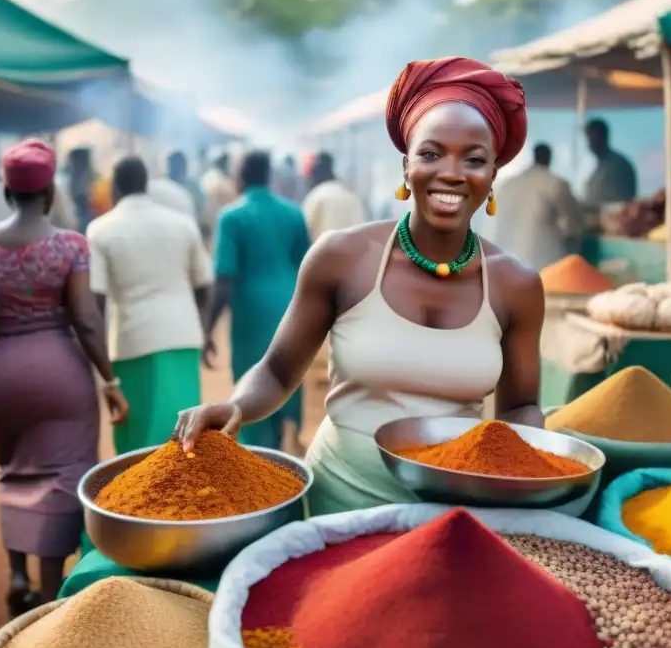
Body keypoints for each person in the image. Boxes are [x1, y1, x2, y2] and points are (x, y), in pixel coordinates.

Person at [175, 56, 544, 516]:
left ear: (492, 176)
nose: (451, 172)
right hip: (335, 506)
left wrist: (530, 456)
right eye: (431, 153)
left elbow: (521, 407)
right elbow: (276, 371)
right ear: (406, 165)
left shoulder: (517, 285)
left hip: (452, 517)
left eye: (473, 159)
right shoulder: (342, 258)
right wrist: (236, 407)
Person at [0, 140, 128, 614]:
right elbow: (87, 321)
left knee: (13, 473)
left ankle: (15, 572)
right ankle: (50, 595)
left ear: (8, 192)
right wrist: (109, 382)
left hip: (0, 373)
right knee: (64, 475)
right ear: (49, 192)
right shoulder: (71, 246)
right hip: (60, 374)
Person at [87, 157, 213, 455]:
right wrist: (203, 331)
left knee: (140, 445)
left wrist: (103, 370)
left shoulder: (99, 230)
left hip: (132, 343)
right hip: (184, 338)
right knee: (185, 437)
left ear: (115, 187)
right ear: (146, 184)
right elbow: (204, 285)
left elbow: (95, 303)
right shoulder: (182, 224)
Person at [205, 151, 311, 451]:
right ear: (268, 176)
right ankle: (285, 437)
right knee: (288, 370)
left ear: (239, 177)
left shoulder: (232, 217)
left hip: (251, 311)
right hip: (291, 305)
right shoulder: (293, 213)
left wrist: (208, 328)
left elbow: (224, 278)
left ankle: (262, 452)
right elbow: (307, 263)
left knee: (253, 377)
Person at [493, 143, 584, 270]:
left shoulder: (507, 185)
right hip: (542, 267)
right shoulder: (554, 183)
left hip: (503, 266)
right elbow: (574, 226)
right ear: (549, 158)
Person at [300, 152, 367, 239]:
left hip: (324, 252)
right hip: (352, 251)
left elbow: (304, 230)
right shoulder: (351, 197)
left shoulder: (316, 197)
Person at [583, 118, 637, 210]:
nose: (589, 142)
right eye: (588, 138)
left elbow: (618, 203)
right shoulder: (600, 165)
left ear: (602, 136)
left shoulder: (618, 165)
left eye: (592, 136)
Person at [147, 152, 198, 222]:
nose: (177, 168)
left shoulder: (193, 187)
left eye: (179, 165)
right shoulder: (161, 188)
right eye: (174, 165)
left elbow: (201, 210)